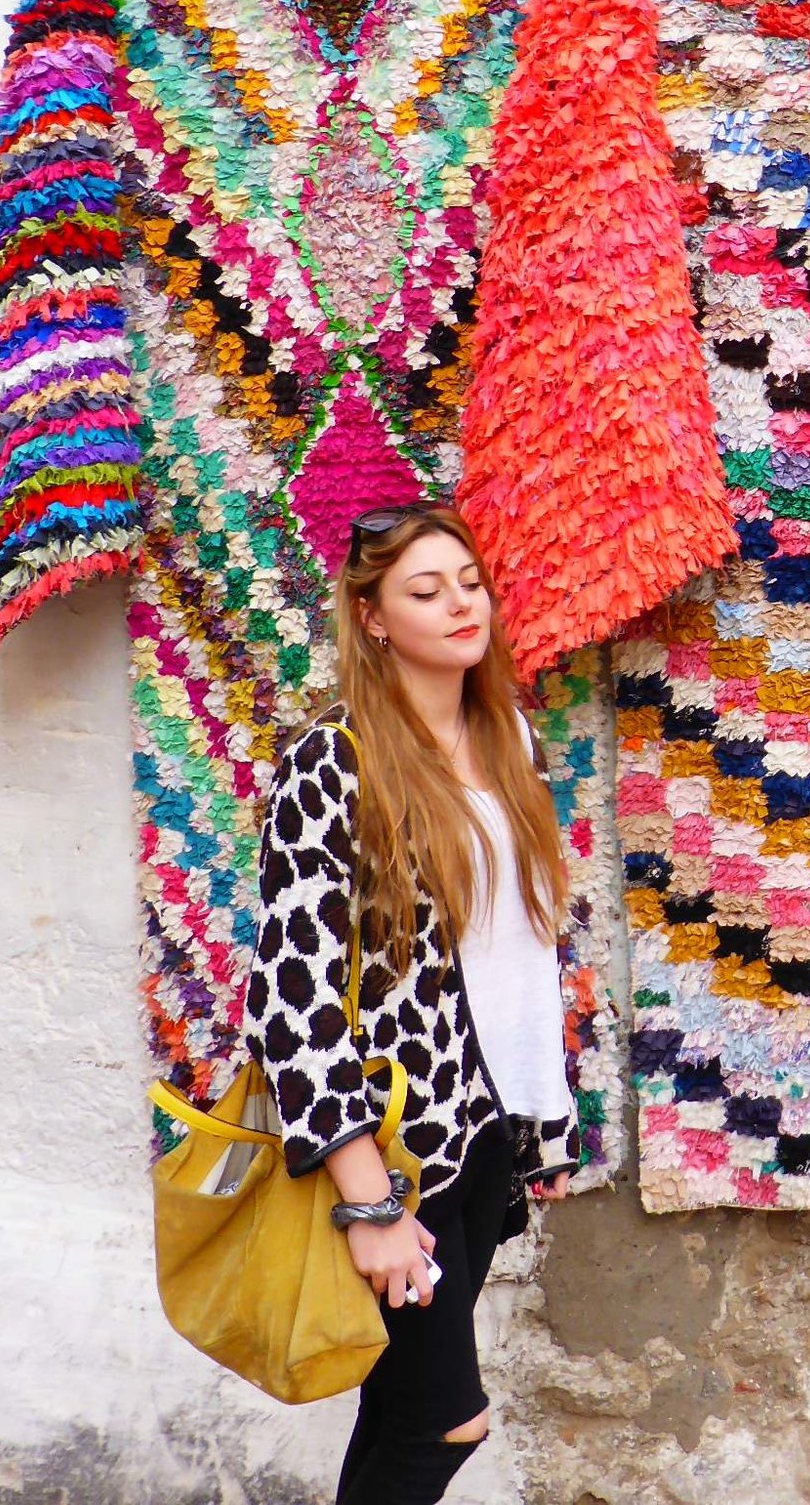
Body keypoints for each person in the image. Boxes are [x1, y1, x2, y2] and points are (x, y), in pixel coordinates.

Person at [241, 503, 577, 1504]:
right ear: (375, 617)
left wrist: (543, 1122)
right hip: (394, 1151)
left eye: (468, 581)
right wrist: (369, 1204)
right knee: (444, 1423)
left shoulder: (506, 734)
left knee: (396, 1415)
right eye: (425, 592)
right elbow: (291, 995)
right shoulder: (332, 764)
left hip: (479, 1135)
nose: (459, 605)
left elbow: (524, 949)